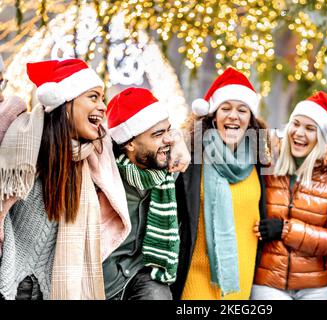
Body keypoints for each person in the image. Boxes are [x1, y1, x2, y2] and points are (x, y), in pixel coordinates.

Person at [0, 58, 132, 300]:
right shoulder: (22, 140)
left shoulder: (93, 157)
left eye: (102, 98)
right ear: (64, 102)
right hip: (8, 281)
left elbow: (143, 153)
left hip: (52, 288)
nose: (103, 106)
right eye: (93, 97)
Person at [172, 67, 269, 300]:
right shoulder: (192, 157)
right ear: (213, 117)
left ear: (250, 119)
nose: (234, 116)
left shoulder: (259, 160)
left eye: (242, 110)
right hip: (196, 271)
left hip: (240, 276)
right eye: (225, 108)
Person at [251, 92, 327, 300]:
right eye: (296, 124)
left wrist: (286, 230)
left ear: (321, 137)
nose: (299, 133)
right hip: (268, 280)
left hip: (316, 286)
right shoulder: (267, 163)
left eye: (310, 129)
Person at [103, 87, 190, 300]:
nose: (168, 139)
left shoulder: (167, 174)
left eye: (168, 131)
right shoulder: (104, 175)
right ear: (129, 143)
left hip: (143, 274)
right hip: (104, 282)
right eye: (158, 134)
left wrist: (177, 139)